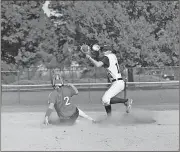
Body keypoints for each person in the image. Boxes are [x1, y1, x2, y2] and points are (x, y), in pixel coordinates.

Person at [85, 44, 133, 117]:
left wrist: (89, 58)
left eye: (105, 50)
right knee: (106, 100)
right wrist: (96, 53)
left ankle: (126, 101)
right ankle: (110, 117)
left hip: (117, 82)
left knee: (105, 99)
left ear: (109, 51)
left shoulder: (107, 57)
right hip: (117, 82)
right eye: (103, 49)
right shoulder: (112, 56)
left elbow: (98, 64)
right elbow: (101, 59)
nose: (103, 51)